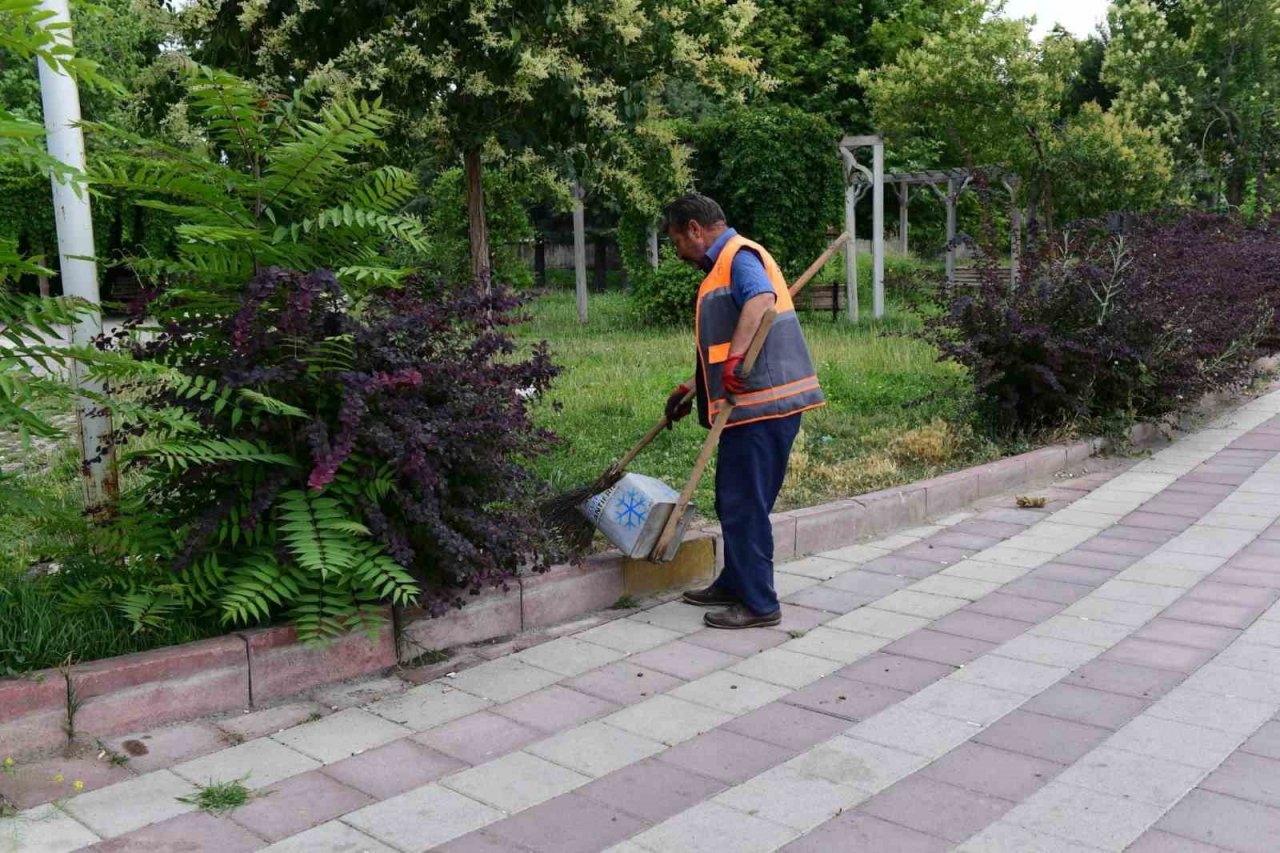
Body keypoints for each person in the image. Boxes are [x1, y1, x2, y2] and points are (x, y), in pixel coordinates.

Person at [661, 193, 826, 629]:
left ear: (695, 228)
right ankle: (735, 581)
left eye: (678, 240)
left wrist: (734, 362)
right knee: (733, 499)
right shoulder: (722, 265)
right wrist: (694, 388)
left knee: (744, 503)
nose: (679, 253)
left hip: (763, 405)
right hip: (746, 406)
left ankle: (758, 603)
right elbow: (726, 336)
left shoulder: (738, 256)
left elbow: (760, 301)